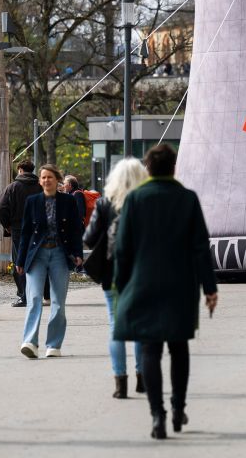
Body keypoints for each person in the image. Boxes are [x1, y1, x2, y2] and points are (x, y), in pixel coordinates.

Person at [112, 144, 218, 440]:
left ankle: (157, 415)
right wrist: (209, 288)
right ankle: (178, 409)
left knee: (150, 348)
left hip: (142, 283)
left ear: (148, 169)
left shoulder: (134, 199)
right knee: (178, 347)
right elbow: (200, 248)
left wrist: (122, 287)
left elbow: (122, 250)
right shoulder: (187, 199)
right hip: (181, 285)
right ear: (174, 168)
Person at [83, 157, 148, 399]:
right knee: (141, 327)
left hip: (112, 273)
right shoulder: (147, 202)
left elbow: (89, 237)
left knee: (115, 326)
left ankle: (120, 382)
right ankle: (142, 377)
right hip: (141, 273)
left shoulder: (104, 203)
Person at [16, 164, 84, 359]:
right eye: (43, 177)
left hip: (60, 255)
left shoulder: (68, 202)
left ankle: (54, 345)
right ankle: (30, 342)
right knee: (35, 297)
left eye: (50, 177)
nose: (46, 180)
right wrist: (20, 259)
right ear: (40, 181)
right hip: (36, 255)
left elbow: (75, 230)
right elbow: (26, 232)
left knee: (58, 301)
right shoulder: (32, 201)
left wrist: (78, 253)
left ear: (57, 180)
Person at [0, 160, 43, 307]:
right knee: (38, 261)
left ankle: (24, 296)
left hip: (18, 229)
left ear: (20, 170)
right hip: (39, 229)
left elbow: (0, 209)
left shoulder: (12, 187)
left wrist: (8, 225)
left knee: (19, 262)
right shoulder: (40, 187)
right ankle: (39, 294)